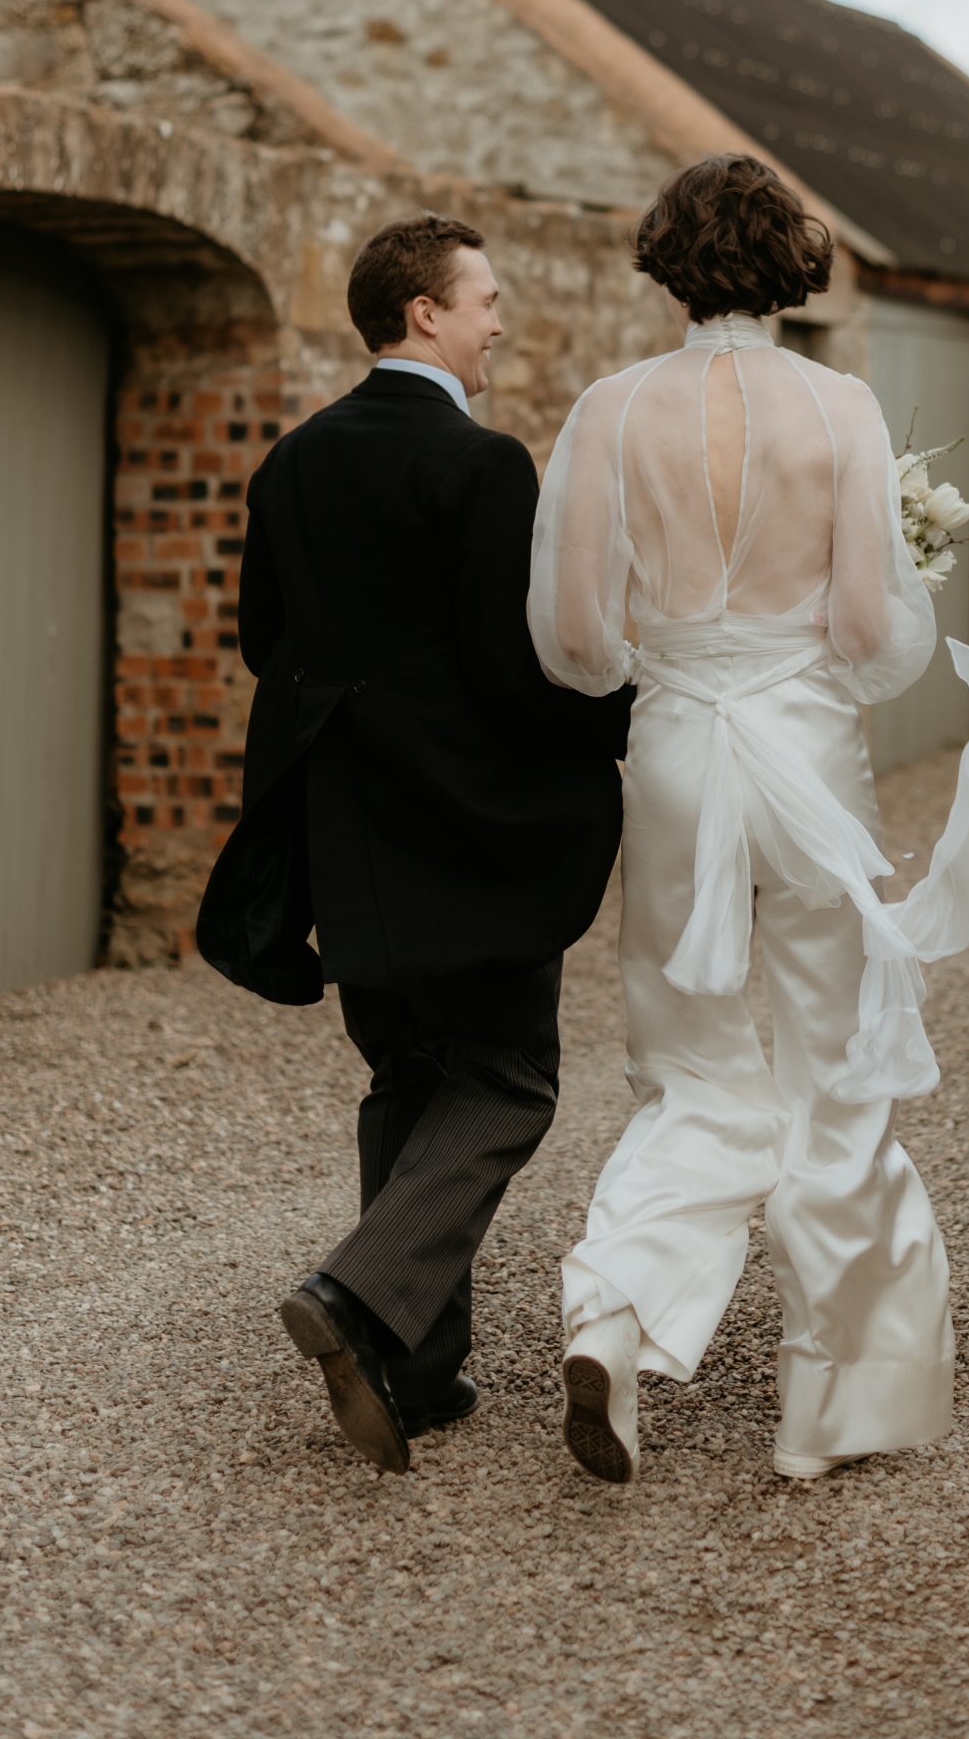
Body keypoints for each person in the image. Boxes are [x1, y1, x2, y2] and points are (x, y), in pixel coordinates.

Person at [528, 155, 969, 1484]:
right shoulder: (837, 407)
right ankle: (828, 1409)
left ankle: (616, 1315)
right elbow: (867, 631)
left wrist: (679, 664)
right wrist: (804, 675)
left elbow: (574, 639)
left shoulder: (608, 410)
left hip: (676, 753)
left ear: (665, 261)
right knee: (829, 1064)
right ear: (787, 261)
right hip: (799, 751)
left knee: (689, 1062)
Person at [197, 214, 630, 1477]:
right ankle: (350, 1296)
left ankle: (421, 1371)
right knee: (505, 1078)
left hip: (350, 836)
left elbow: (262, 639)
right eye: (485, 299)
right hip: (469, 833)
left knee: (405, 1074)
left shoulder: (291, 463)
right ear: (424, 313)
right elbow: (516, 672)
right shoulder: (482, 465)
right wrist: (632, 712)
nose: (500, 320)